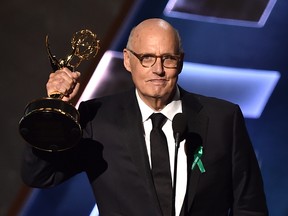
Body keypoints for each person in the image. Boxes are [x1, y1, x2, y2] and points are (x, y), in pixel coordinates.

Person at [21, 18, 268, 216]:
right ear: (128, 60)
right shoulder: (96, 118)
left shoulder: (223, 118)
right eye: (147, 58)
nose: (158, 70)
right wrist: (54, 113)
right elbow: (40, 176)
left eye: (168, 59)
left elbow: (249, 206)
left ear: (180, 62)